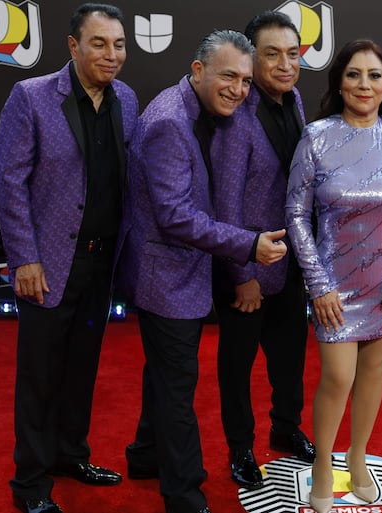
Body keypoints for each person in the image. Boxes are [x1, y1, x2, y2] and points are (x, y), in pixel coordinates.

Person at [117, 30, 288, 513]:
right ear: (198, 71)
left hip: (181, 270)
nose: (239, 89)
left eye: (246, 81)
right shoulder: (170, 122)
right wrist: (249, 245)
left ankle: (146, 456)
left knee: (165, 375)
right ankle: (185, 495)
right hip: (166, 275)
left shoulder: (201, 112)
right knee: (177, 389)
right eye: (228, 76)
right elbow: (173, 216)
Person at [0, 4, 139, 512]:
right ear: (73, 46)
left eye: (119, 44)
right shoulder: (31, 97)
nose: (112, 54)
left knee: (82, 366)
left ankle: (70, 454)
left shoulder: (126, 98)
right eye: (99, 43)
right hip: (50, 261)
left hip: (102, 262)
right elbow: (9, 183)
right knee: (39, 374)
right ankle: (30, 484)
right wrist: (25, 258)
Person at [285, 40, 382, 513]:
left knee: (373, 373)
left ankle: (358, 456)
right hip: (334, 284)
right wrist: (319, 284)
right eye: (353, 74)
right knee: (338, 375)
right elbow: (295, 214)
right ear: (339, 83)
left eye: (374, 75)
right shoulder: (316, 136)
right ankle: (325, 463)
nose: (364, 85)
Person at [210, 11, 314, 491]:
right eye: (271, 54)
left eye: (292, 54)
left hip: (291, 263)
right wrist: (241, 274)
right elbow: (225, 201)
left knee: (290, 356)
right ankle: (241, 451)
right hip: (248, 267)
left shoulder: (294, 101)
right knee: (237, 365)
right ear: (253, 58)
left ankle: (286, 428)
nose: (285, 64)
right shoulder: (237, 113)